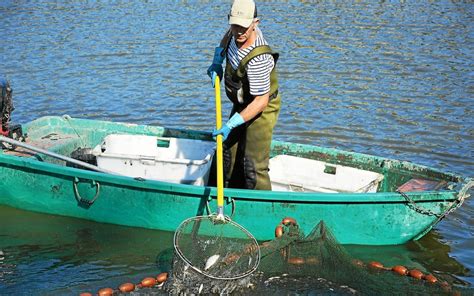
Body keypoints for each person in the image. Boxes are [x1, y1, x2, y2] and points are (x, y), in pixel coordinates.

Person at [207, 0, 280, 190]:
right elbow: (228, 36)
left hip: (262, 108)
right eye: (235, 25)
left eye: (244, 27)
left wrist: (231, 124)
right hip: (242, 102)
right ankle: (227, 195)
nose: (239, 32)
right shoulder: (234, 33)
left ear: (255, 23)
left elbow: (261, 101)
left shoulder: (259, 58)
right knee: (225, 151)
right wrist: (218, 59)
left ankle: (262, 209)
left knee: (252, 165)